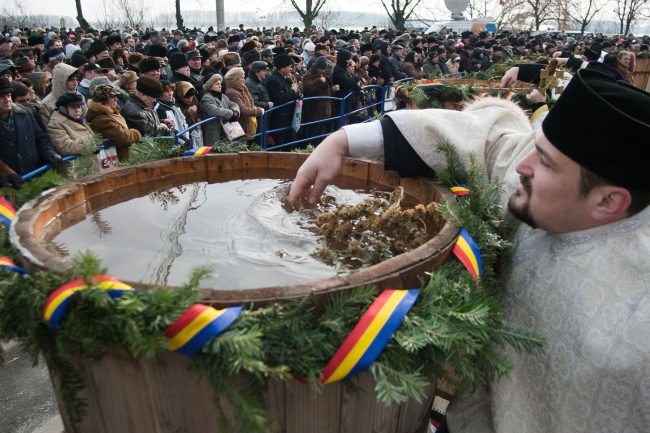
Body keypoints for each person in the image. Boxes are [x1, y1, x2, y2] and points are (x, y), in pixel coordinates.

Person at [289, 69, 650, 433]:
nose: (523, 166)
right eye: (536, 148)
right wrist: (343, 140)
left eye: (545, 162)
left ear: (608, 202)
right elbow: (492, 144)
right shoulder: (553, 182)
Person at [0, 78, 60, 184]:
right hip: (12, 184)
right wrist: (10, 174)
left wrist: (50, 153)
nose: (7, 99)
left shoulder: (25, 113)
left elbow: (40, 137)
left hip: (36, 175)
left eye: (8, 95)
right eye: (1, 97)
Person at [86, 84, 141, 161]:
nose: (116, 99)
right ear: (104, 100)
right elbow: (124, 138)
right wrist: (136, 133)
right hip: (116, 162)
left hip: (122, 158)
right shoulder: (100, 120)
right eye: (112, 97)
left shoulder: (111, 114)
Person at [199, 73, 240, 145]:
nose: (220, 86)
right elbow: (214, 110)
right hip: (213, 132)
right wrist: (231, 113)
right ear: (210, 86)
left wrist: (236, 111)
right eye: (217, 84)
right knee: (213, 153)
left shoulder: (223, 96)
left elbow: (233, 104)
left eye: (220, 83)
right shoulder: (206, 98)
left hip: (226, 131)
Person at [224, 67, 263, 138]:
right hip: (239, 128)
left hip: (245, 127)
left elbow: (249, 104)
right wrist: (259, 110)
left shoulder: (241, 88)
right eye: (242, 78)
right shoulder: (232, 92)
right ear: (235, 79)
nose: (244, 80)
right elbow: (243, 110)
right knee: (241, 147)